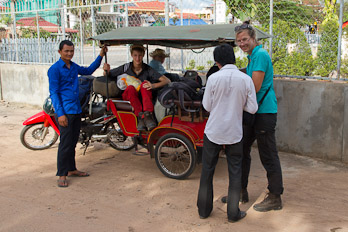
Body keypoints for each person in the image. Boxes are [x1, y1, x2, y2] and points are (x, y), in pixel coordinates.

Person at [222, 21, 284, 212]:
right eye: (239, 41)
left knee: (268, 154)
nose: (242, 43)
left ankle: (275, 197)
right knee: (240, 151)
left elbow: (254, 87)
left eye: (245, 39)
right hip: (253, 112)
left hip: (264, 113)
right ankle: (240, 191)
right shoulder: (252, 57)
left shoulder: (260, 55)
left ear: (253, 38)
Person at [197, 44, 258, 223]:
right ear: (234, 58)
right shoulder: (245, 79)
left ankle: (204, 210)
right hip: (234, 133)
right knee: (235, 171)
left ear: (217, 62)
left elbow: (207, 106)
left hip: (213, 131)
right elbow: (253, 108)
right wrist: (238, 105)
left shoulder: (214, 78)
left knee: (207, 170)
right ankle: (233, 213)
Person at [48, 40, 107, 188]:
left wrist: (101, 55)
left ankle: (72, 169)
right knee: (65, 144)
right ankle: (62, 174)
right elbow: (54, 93)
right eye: (66, 51)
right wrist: (60, 114)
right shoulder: (54, 70)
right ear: (60, 52)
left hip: (76, 110)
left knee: (73, 142)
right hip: (65, 112)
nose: (69, 53)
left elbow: (88, 71)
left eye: (71, 51)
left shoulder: (73, 67)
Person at [103, 44, 170, 131]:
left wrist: (152, 85)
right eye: (135, 55)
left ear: (143, 55)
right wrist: (106, 70)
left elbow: (167, 80)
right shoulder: (126, 67)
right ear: (131, 55)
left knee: (144, 85)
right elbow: (107, 74)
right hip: (129, 96)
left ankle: (147, 116)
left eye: (140, 55)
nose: (137, 58)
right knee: (130, 88)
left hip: (144, 98)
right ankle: (139, 117)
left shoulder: (148, 69)